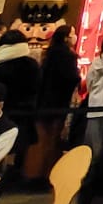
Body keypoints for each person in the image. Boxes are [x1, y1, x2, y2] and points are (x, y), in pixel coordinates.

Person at [0, 29, 41, 170]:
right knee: (20, 148)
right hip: (25, 114)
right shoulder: (32, 65)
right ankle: (16, 176)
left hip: (1, 115)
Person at [36, 23, 81, 173]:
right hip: (59, 101)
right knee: (53, 137)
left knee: (44, 137)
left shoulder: (50, 53)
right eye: (72, 34)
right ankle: (48, 170)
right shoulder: (67, 55)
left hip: (45, 100)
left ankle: (39, 171)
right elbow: (71, 78)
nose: (74, 37)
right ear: (66, 37)